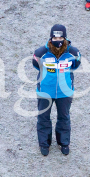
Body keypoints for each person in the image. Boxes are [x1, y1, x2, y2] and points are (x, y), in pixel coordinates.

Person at [33, 24, 81, 156]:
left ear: (65, 38)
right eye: (55, 37)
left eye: (60, 37)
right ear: (50, 38)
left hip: (65, 92)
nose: (57, 40)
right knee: (43, 117)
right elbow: (36, 66)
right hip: (45, 91)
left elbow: (75, 66)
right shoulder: (40, 53)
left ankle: (64, 142)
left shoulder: (74, 53)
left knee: (64, 117)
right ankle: (44, 143)